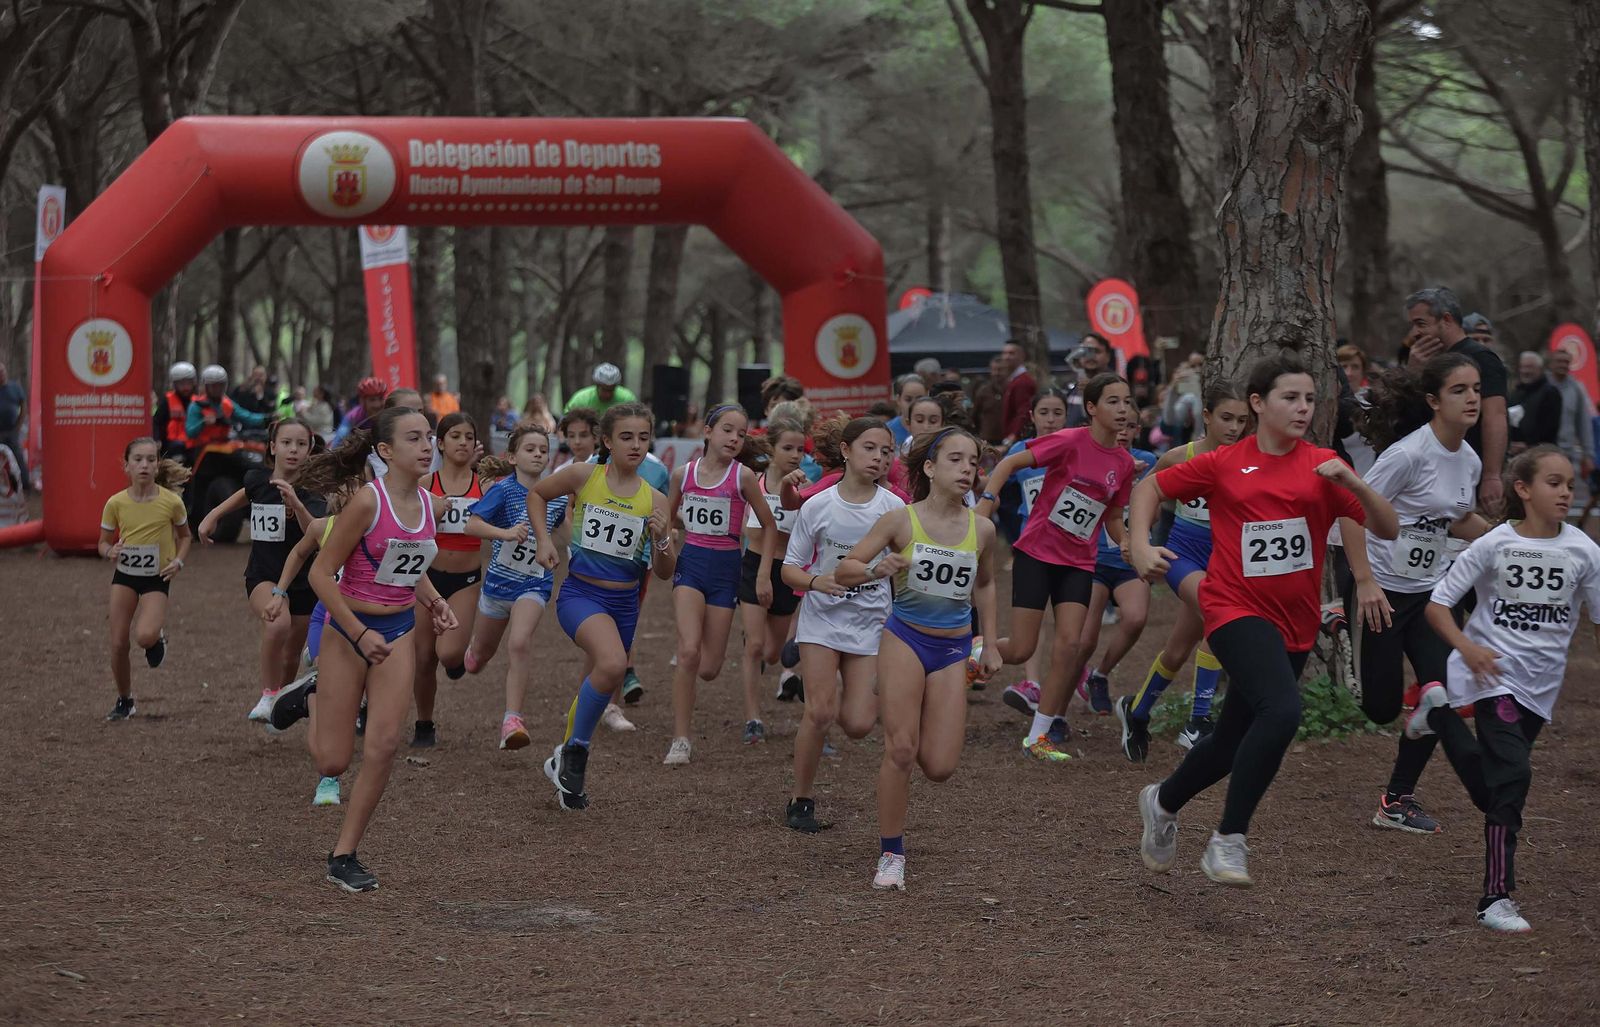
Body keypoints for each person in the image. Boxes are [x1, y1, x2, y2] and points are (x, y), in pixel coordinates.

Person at [1129, 349, 1398, 887]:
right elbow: (1151, 486)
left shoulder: (1323, 466)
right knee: (1281, 711)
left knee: (1231, 741)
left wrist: (1357, 484)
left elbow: (1387, 527)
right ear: (1258, 403)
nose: (1302, 408)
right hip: (1231, 608)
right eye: (1290, 398)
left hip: (1294, 624)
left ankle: (1162, 801)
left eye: (1309, 399)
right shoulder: (1226, 462)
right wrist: (1138, 544)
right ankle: (1229, 839)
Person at [268, 406, 458, 893]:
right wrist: (357, 632)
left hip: (397, 632)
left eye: (429, 438)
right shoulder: (367, 504)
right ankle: (309, 696)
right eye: (414, 439)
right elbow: (318, 574)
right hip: (346, 632)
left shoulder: (429, 505)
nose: (426, 447)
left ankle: (344, 853)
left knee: (384, 745)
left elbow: (407, 568)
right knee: (333, 761)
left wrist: (434, 602)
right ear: (385, 451)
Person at [1410, 446, 1600, 932]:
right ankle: (1495, 897)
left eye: (1569, 485)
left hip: (1541, 688)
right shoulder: (1494, 544)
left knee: (1497, 789)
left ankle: (1439, 717)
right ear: (1523, 489)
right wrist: (1466, 649)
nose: (1564, 493)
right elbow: (1438, 605)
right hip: (1491, 677)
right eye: (1553, 483)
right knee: (1513, 778)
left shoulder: (1584, 550)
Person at [837, 427, 1001, 890]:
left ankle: (899, 693)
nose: (967, 469)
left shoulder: (982, 528)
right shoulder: (900, 521)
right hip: (905, 638)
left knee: (941, 766)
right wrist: (876, 568)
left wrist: (988, 642)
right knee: (901, 749)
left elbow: (985, 585)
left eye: (973, 461)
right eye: (956, 459)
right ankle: (891, 854)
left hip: (952, 647)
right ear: (929, 468)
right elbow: (846, 568)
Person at [1341, 354, 1489, 835]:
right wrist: (1363, 583)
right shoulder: (1407, 455)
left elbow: (1455, 517)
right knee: (1382, 709)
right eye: (1459, 390)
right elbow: (1351, 510)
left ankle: (1396, 800)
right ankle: (1339, 621)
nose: (1472, 399)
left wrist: (1501, 541)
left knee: (1438, 694)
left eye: (1477, 389)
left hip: (1429, 596)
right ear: (1433, 400)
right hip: (1379, 592)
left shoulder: (1468, 459)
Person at [976, 374, 1136, 761]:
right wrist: (985, 505)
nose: (1122, 410)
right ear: (1093, 408)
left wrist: (1128, 539)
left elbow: (1113, 517)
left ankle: (1039, 736)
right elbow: (1011, 461)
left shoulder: (1125, 463)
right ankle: (974, 650)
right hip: (1037, 553)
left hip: (1079, 562)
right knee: (1020, 648)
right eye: (1113, 402)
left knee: (1071, 645)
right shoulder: (1070, 441)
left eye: (1127, 402)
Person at [529, 403, 674, 811]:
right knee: (611, 664)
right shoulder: (584, 475)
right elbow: (538, 495)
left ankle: (563, 760)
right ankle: (576, 753)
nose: (636, 445)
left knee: (606, 673)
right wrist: (543, 541)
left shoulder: (656, 499)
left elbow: (664, 571)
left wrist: (662, 541)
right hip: (580, 595)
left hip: (625, 602)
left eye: (643, 438)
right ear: (607, 441)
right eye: (626, 437)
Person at [1115, 381, 1250, 758]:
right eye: (1226, 418)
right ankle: (1199, 721)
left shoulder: (1248, 461)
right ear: (1206, 416)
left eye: (1242, 420)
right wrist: (1135, 540)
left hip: (1226, 561)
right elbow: (1147, 494)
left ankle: (1137, 711)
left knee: (1178, 650)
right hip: (1183, 556)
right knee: (1217, 609)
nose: (1234, 428)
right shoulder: (1180, 457)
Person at [782, 415, 903, 832]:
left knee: (857, 724)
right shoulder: (818, 505)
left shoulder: (894, 508)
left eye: (886, 451)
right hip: (822, 620)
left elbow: (909, 566)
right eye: (869, 448)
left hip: (870, 622)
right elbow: (789, 569)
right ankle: (801, 800)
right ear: (847, 451)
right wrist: (818, 581)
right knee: (819, 712)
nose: (878, 458)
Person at [664, 404, 780, 764]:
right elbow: (670, 520)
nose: (734, 438)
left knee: (710, 668)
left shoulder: (743, 477)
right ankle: (681, 740)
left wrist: (761, 573)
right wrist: (667, 537)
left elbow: (770, 525)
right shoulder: (683, 475)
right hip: (692, 566)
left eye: (741, 434)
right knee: (688, 652)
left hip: (727, 569)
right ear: (708, 431)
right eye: (727, 430)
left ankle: (690, 657)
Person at [198, 417, 324, 722]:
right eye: (286, 443)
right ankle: (268, 695)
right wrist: (211, 516)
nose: (293, 450)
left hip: (304, 582)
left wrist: (297, 506)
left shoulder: (313, 493)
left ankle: (281, 700)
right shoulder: (257, 479)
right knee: (277, 624)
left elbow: (317, 534)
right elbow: (243, 495)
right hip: (263, 576)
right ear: (272, 447)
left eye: (301, 444)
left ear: (309, 450)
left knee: (293, 649)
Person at [461, 422, 568, 749]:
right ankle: (475, 651)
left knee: (520, 643)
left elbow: (561, 529)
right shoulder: (503, 490)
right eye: (530, 449)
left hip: (533, 584)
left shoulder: (555, 494)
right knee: (480, 657)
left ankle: (512, 720)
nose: (538, 455)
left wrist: (567, 550)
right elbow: (472, 525)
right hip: (497, 588)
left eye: (543, 451)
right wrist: (506, 533)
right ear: (512, 457)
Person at [99, 438, 191, 721]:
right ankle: (125, 700)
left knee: (144, 636)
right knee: (117, 644)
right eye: (138, 459)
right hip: (125, 575)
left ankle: (156, 639)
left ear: (157, 465)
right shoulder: (115, 503)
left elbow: (186, 536)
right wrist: (110, 551)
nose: (144, 465)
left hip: (157, 577)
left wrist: (178, 561)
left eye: (151, 459)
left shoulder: (171, 502)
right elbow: (102, 544)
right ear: (126, 466)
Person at [410, 412, 484, 747]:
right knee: (424, 657)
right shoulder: (425, 484)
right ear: (440, 443)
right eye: (455, 436)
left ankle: (455, 660)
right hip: (427, 578)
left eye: (469, 437)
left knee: (450, 654)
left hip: (466, 579)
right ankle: (424, 723)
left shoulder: (485, 485)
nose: (463, 443)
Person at [1076, 422, 1157, 717]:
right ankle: (1054, 709)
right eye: (1118, 425)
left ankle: (1100, 675)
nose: (1123, 431)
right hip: (1093, 558)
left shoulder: (1148, 462)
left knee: (1136, 618)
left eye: (1131, 426)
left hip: (1129, 560)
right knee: (1084, 640)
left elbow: (1156, 511)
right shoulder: (1090, 457)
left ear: (1138, 428)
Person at [1403, 287, 1508, 513]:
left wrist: (1491, 476)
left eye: (1421, 324)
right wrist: (1412, 372)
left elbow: (1495, 416)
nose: (1415, 333)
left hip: (1470, 475)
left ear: (1446, 320)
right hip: (1428, 476)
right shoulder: (1423, 359)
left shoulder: (1481, 358)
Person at [737, 416, 807, 741]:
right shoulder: (755, 483)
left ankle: (760, 650)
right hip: (754, 567)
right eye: (788, 448)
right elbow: (749, 531)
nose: (795, 455)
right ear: (772, 448)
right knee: (754, 646)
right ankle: (753, 718)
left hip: (787, 573)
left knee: (772, 653)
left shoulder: (804, 489)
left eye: (800, 449)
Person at [186, 365, 270, 453]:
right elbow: (190, 432)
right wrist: (203, 423)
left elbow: (247, 417)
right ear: (207, 387)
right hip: (201, 449)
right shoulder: (196, 406)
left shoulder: (227, 404)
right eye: (214, 386)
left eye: (220, 385)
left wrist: (267, 418)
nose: (217, 389)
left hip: (223, 446)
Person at [1547, 347, 1596, 479]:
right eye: (1559, 361)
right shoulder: (1542, 385)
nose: (1563, 365)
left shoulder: (1576, 389)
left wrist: (1588, 454)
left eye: (1566, 362)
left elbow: (1583, 423)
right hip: (1543, 451)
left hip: (1567, 453)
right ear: (1551, 363)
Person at [1508, 351, 1561, 452]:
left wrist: (1529, 445)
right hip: (1515, 452)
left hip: (1541, 453)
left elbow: (1550, 428)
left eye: (1530, 367)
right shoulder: (1516, 392)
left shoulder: (1550, 393)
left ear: (1540, 369)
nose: (1525, 371)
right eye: (1523, 367)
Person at [153, 362, 200, 461]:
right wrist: (157, 439)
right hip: (172, 446)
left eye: (189, 383)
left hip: (193, 444)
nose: (186, 387)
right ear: (174, 384)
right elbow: (156, 422)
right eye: (181, 384)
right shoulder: (168, 401)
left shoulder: (199, 402)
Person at [563, 362, 637, 417]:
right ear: (597, 385)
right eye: (604, 389)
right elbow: (566, 419)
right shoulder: (581, 399)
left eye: (611, 390)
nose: (608, 394)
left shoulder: (627, 399)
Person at [999, 341, 1037, 445]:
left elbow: (1024, 411)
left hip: (1017, 440)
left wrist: (1013, 436)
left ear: (1022, 356)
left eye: (1011, 353)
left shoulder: (1023, 382)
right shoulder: (1013, 380)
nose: (1007, 357)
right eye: (1004, 353)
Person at [331, 377, 388, 445]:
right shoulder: (353, 417)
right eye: (372, 400)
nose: (377, 404)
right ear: (362, 401)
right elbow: (337, 443)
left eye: (381, 398)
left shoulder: (389, 414)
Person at [0, 361, 27, 486]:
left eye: (3, 371)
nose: (2, 374)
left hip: (12, 431)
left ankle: (25, 484)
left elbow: (23, 406)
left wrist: (18, 426)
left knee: (18, 457)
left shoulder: (15, 388)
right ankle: (6, 486)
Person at [971, 354, 1008, 445]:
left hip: (1007, 440)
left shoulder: (1012, 390)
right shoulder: (983, 391)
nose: (997, 373)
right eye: (994, 370)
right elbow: (974, 415)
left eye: (1000, 370)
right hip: (987, 439)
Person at [885, 373, 928, 446]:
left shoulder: (934, 428)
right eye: (908, 399)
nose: (913, 404)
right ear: (898, 400)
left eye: (919, 399)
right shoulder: (887, 430)